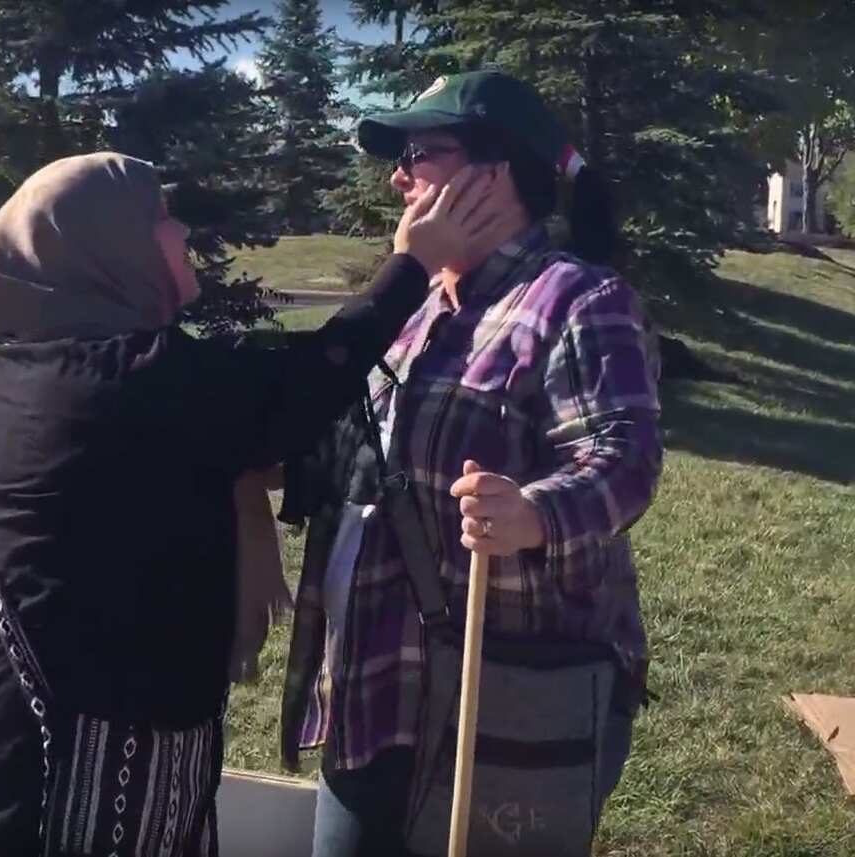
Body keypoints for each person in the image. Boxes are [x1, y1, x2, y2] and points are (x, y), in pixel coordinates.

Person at [0, 150, 526, 856]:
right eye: (159, 217)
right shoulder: (123, 380)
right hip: (48, 768)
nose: (182, 228)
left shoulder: (47, 362)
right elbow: (298, 387)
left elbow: (239, 425)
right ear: (107, 247)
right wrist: (410, 263)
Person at [277, 70, 663, 856]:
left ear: (493, 173)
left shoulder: (577, 300)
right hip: (377, 685)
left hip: (501, 700)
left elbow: (624, 457)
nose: (397, 175)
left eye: (419, 152)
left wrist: (535, 511)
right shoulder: (420, 304)